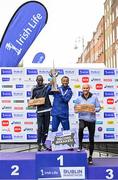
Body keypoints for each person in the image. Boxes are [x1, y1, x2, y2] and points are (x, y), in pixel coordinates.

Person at [74, 84, 101, 165]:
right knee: (81, 128)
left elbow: (99, 107)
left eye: (87, 88)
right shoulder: (79, 98)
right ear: (82, 89)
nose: (85, 89)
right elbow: (75, 108)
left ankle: (90, 157)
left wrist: (94, 110)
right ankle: (80, 145)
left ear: (89, 88)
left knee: (91, 138)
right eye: (84, 88)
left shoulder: (94, 97)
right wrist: (76, 110)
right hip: (82, 118)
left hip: (91, 120)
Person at [30, 75, 52, 151]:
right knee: (40, 128)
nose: (40, 81)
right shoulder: (34, 89)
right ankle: (39, 144)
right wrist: (33, 104)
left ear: (43, 80)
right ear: (36, 80)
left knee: (46, 129)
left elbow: (52, 83)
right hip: (39, 111)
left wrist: (53, 76)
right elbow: (31, 100)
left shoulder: (46, 87)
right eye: (38, 80)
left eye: (41, 80)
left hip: (47, 110)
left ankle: (43, 143)